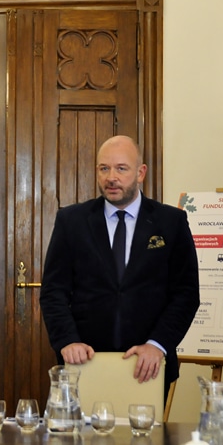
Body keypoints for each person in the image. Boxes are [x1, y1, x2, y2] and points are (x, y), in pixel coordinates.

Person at [39, 135, 200, 395]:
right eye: (104, 168)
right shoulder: (72, 221)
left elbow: (186, 293)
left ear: (140, 173)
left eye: (121, 168)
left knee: (146, 436)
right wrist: (67, 340)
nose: (111, 177)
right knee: (83, 436)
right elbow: (53, 291)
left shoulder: (171, 222)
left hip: (148, 365)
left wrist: (157, 344)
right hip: (84, 363)